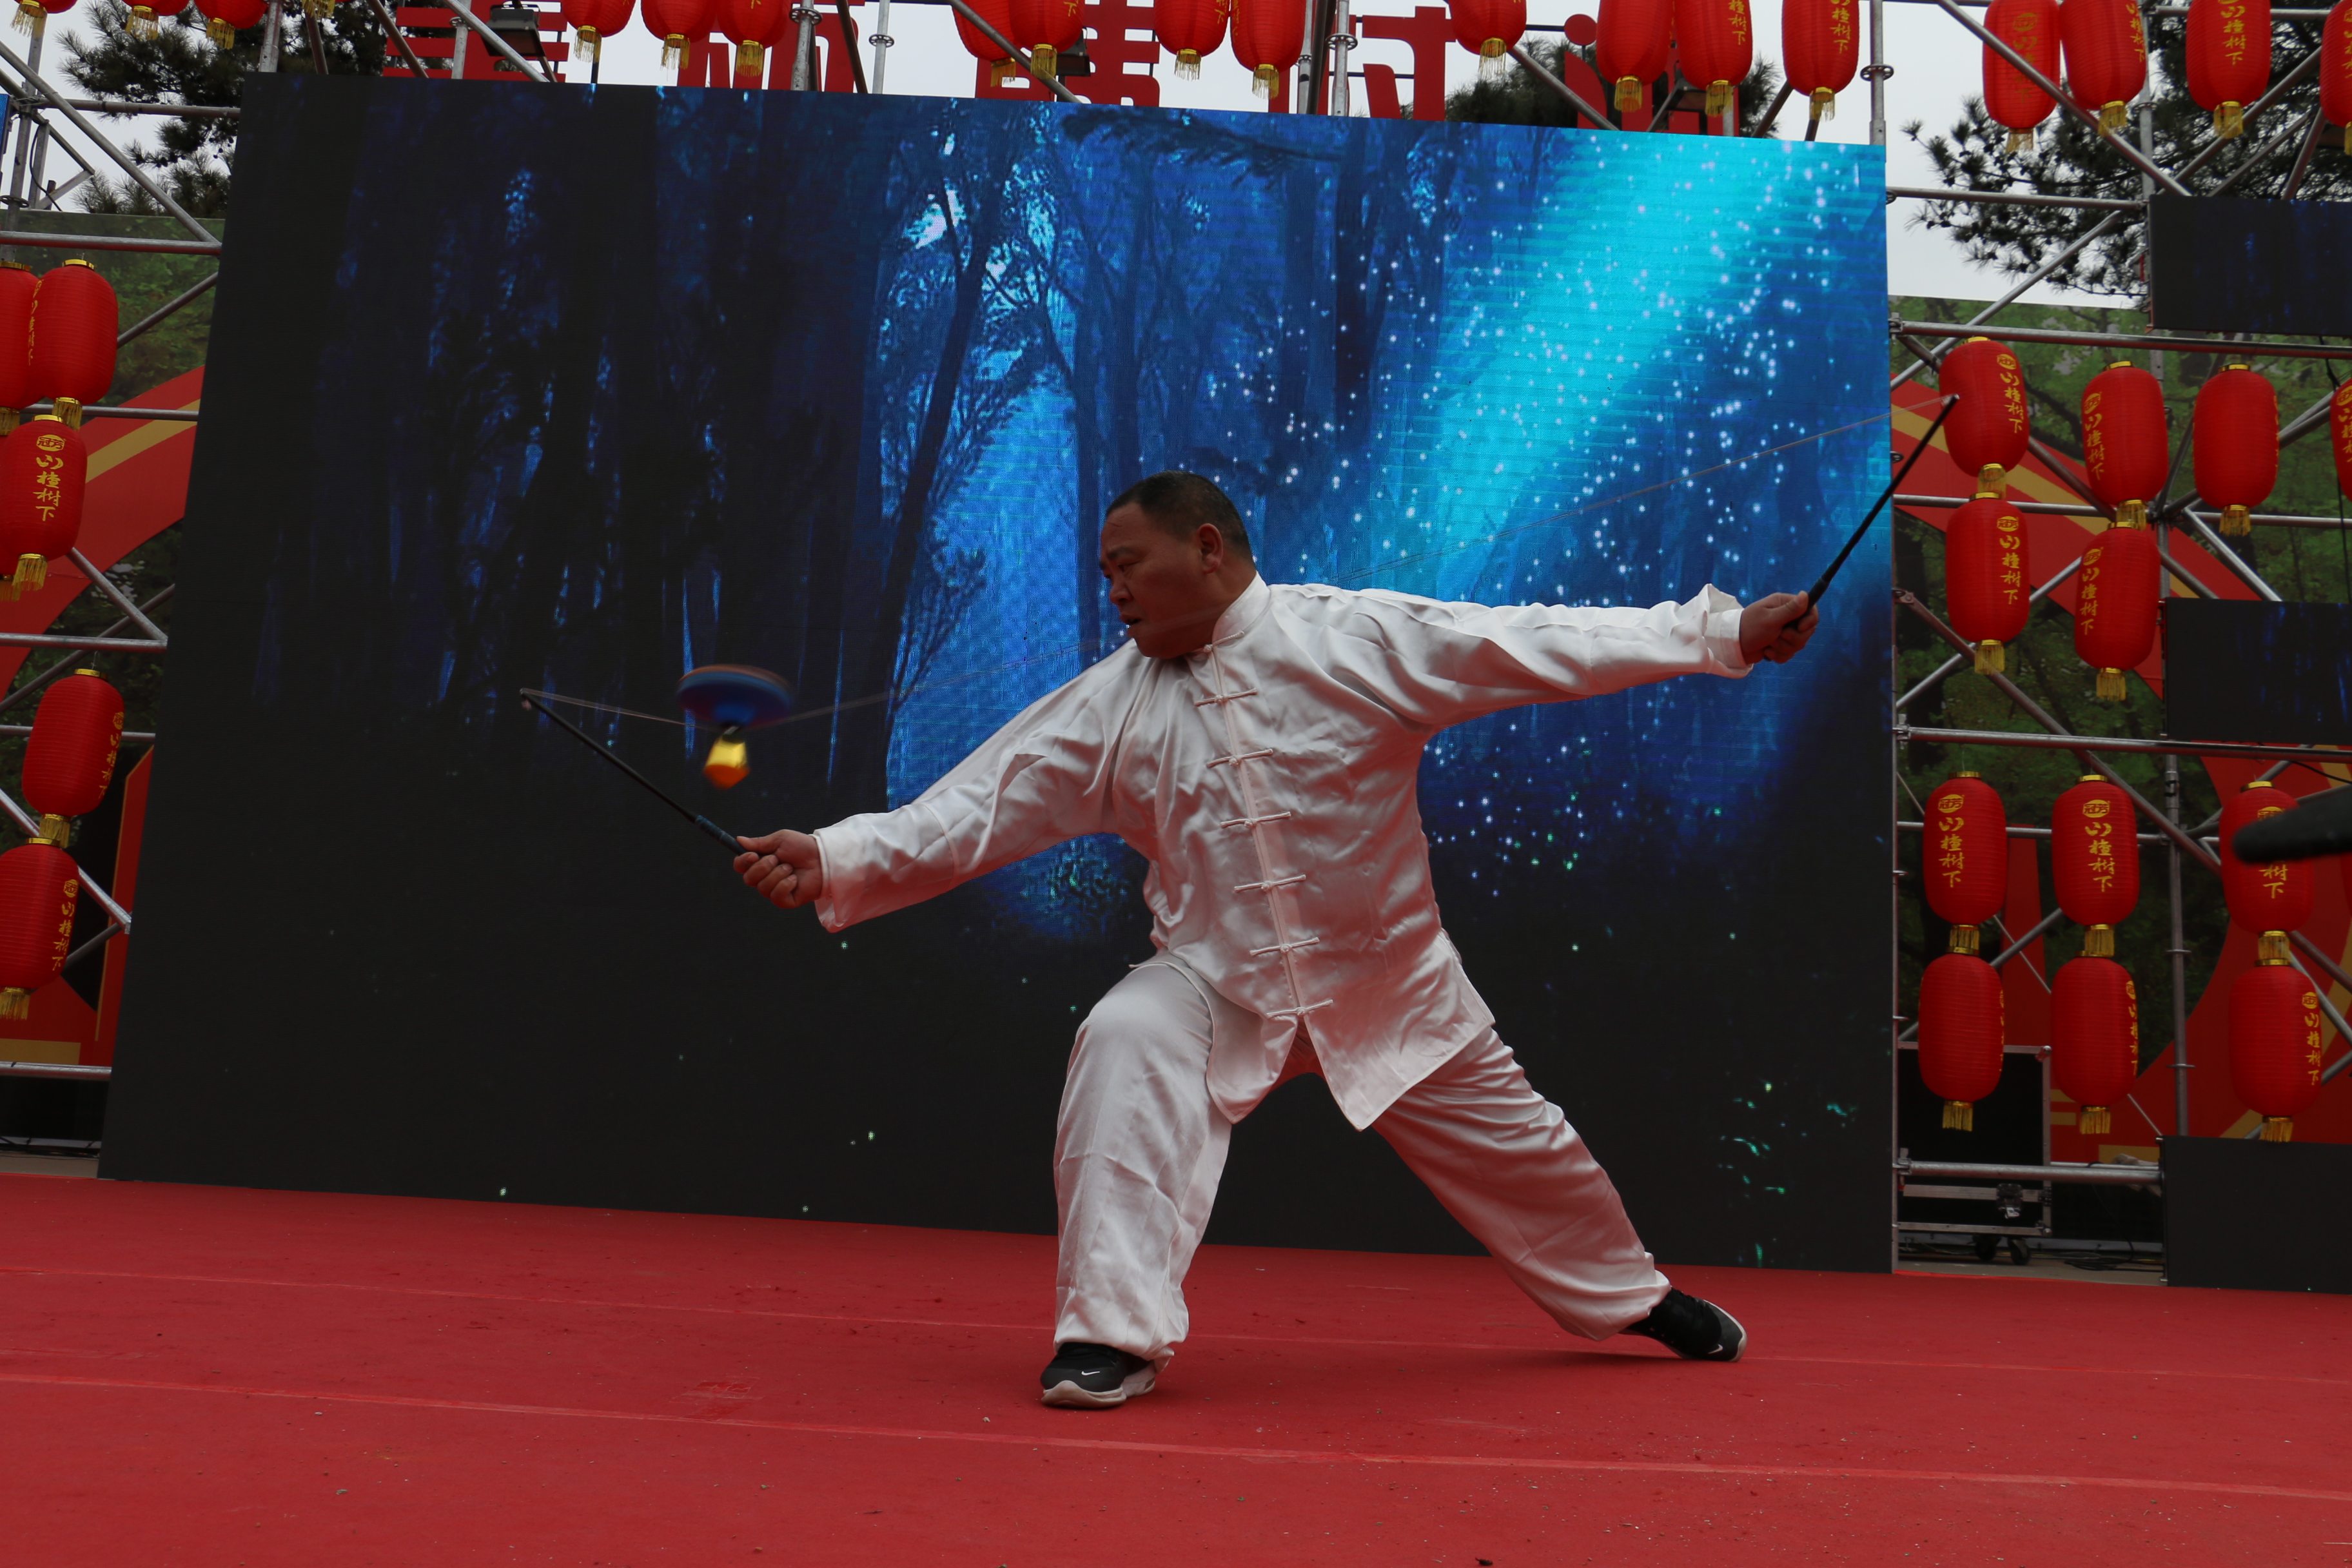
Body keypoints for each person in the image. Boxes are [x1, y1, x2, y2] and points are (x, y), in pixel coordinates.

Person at [734, 471, 1819, 1409]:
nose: (1110, 588)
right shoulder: (1109, 706)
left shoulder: (1354, 638)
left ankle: (1633, 1297)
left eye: (1127, 563)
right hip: (1217, 986)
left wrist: (1719, 634)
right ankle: (1106, 1335)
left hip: (1395, 985)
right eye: (1104, 569)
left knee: (1533, 1155)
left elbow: (1530, 639)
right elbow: (978, 806)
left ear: (1207, 550)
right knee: (1123, 1041)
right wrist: (835, 857)